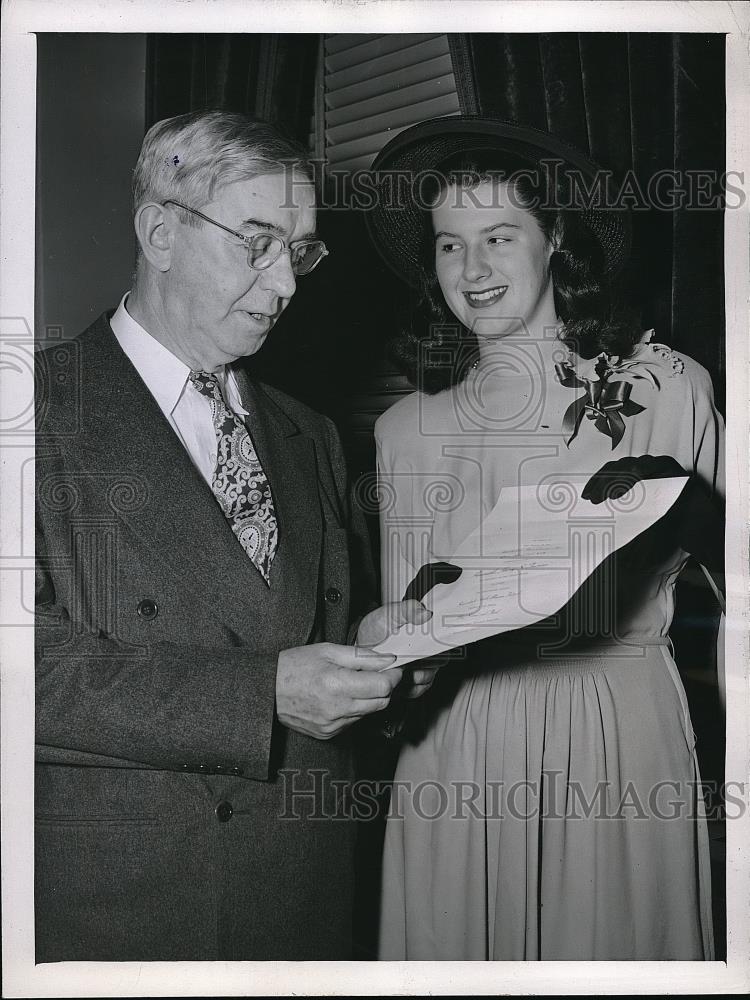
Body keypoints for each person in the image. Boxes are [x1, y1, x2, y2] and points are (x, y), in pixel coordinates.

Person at [34, 109, 437, 962]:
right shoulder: (29, 414)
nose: (287, 282)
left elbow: (307, 636)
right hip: (122, 910)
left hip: (304, 899)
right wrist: (261, 696)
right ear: (161, 232)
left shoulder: (312, 433)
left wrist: (376, 652)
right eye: (257, 241)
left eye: (300, 252)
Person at [366, 117, 724, 960]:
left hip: (614, 731)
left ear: (555, 236)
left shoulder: (662, 383)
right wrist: (385, 654)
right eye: (450, 246)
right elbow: (406, 626)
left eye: (498, 235)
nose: (474, 268)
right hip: (457, 744)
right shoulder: (401, 431)